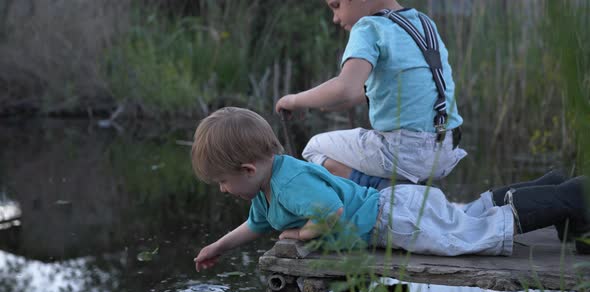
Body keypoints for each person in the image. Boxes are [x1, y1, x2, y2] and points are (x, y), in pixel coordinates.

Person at [192, 107, 588, 271]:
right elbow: (256, 226)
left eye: (223, 182)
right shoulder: (265, 191)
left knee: (473, 235)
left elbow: (333, 213)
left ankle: (572, 197)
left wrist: (298, 233)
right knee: (464, 217)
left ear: (247, 168)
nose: (224, 191)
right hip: (395, 210)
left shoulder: (290, 181)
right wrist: (218, 247)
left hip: (391, 219)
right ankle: (549, 186)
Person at [275, 0, 466, 189]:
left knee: (315, 148)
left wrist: (294, 100)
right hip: (446, 147)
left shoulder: (368, 27)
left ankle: (381, 192)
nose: (335, 18)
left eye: (336, 5)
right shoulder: (424, 23)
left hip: (406, 151)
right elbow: (402, 87)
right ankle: (408, 192)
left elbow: (345, 88)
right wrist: (324, 101)